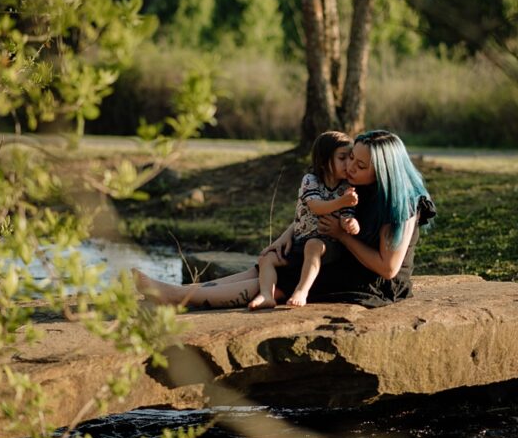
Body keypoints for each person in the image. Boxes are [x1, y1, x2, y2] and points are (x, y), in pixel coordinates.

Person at [131, 130, 435, 311]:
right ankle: (182, 290)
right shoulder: (362, 186)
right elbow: (322, 210)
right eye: (350, 158)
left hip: (373, 284)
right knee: (268, 263)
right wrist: (284, 237)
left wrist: (343, 238)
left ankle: (174, 296)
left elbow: (388, 267)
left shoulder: (404, 204)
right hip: (345, 259)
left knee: (283, 283)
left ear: (383, 170)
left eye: (360, 165)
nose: (351, 168)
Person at [249, 130, 360, 311]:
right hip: (298, 242)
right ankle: (266, 295)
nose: (348, 163)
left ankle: (301, 291)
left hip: (326, 245)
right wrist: (342, 201)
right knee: (266, 258)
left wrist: (351, 223)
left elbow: (348, 213)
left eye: (351, 157)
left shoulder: (347, 188)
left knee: (314, 245)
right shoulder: (311, 180)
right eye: (342, 158)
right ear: (324, 161)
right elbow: (316, 207)